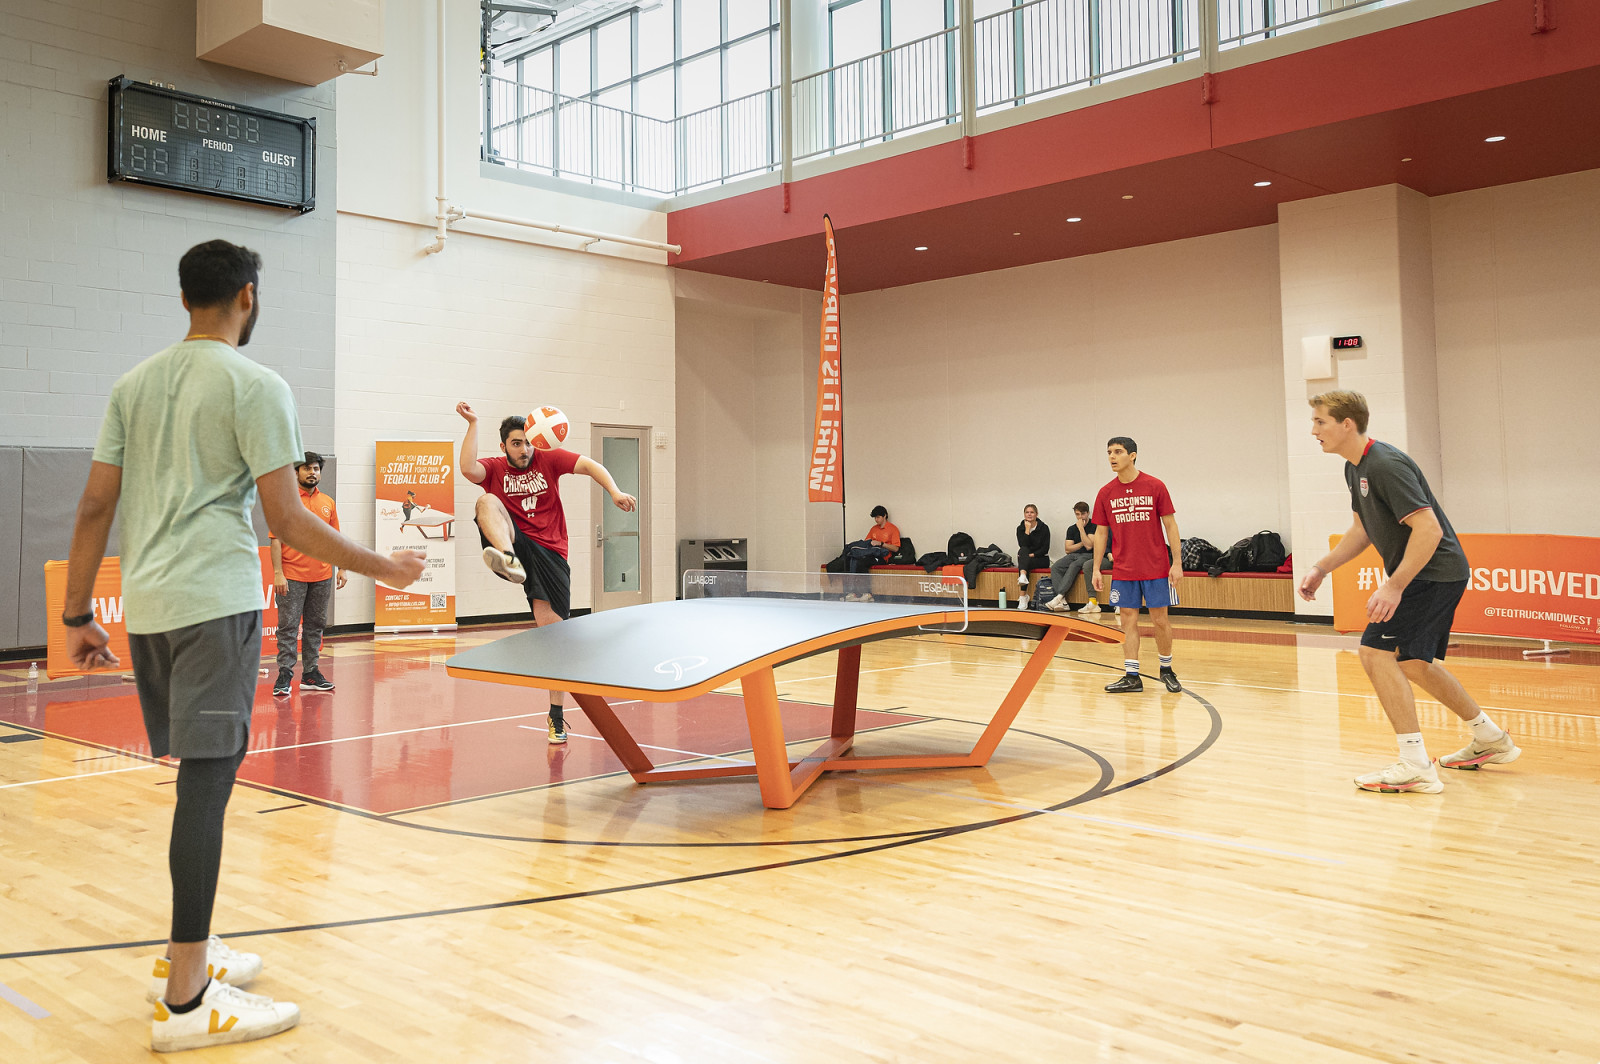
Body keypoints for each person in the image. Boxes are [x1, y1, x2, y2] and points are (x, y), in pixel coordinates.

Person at [60, 240, 426, 1052]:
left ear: (185, 295)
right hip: (214, 606)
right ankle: (188, 999)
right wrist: (387, 571)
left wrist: (78, 612)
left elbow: (93, 505)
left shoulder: (133, 384)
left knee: (201, 781)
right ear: (248, 297)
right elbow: (289, 521)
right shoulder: (258, 386)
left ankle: (187, 950)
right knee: (208, 784)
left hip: (151, 610)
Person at [1298, 390, 1520, 794]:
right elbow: (1361, 530)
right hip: (1434, 574)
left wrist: (1394, 585)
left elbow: (1429, 529)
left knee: (1374, 652)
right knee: (1414, 663)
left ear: (1347, 424)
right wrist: (1320, 568)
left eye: (1320, 422)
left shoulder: (1385, 464)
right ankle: (1490, 739)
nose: (1313, 430)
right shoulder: (1355, 468)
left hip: (1431, 574)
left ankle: (1415, 764)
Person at [456, 401, 637, 743]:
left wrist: (613, 491)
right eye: (516, 443)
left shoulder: (548, 458)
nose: (524, 449)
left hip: (551, 552)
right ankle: (507, 559)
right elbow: (467, 468)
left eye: (527, 442)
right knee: (485, 502)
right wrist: (473, 423)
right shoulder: (495, 469)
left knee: (554, 639)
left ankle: (556, 715)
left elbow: (590, 465)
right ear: (504, 447)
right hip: (517, 541)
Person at [1091, 437, 1183, 693]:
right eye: (1109, 452)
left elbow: (1170, 525)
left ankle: (1166, 669)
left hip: (1156, 567)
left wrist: (1177, 562)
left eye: (1118, 452)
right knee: (1127, 620)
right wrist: (1097, 567)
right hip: (1124, 569)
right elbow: (1100, 533)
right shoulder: (1106, 493)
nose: (1112, 456)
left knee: (1160, 620)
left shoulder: (1155, 485)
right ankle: (1132, 675)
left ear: (1132, 455)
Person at [269, 451, 345, 697]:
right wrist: (278, 573)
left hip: (322, 576)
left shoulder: (328, 503)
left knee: (315, 626)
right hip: (292, 576)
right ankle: (284, 675)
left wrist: (342, 566)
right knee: (288, 627)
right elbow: (276, 540)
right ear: (296, 472)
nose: (313, 473)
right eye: (308, 468)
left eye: (316, 469)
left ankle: (311, 673)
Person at [1045, 501, 1100, 613]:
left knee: (1074, 565)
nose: (1080, 517)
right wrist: (1081, 543)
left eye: (1082, 514)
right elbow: (1067, 549)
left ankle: (1059, 596)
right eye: (1077, 514)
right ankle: (1063, 601)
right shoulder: (1071, 529)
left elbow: (1089, 546)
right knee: (1056, 567)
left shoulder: (1093, 526)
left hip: (1088, 555)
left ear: (1088, 513)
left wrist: (1081, 529)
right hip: (1073, 555)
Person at [1014, 504, 1050, 606]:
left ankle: (1023, 596)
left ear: (1036, 514)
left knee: (1023, 560)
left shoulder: (1044, 528)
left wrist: (1032, 555)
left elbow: (1045, 548)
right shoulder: (1020, 528)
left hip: (1041, 558)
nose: (1029, 514)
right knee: (1023, 552)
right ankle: (1023, 578)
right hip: (1027, 558)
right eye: (1027, 512)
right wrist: (1027, 530)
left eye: (1032, 512)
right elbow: (1023, 545)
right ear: (1024, 514)